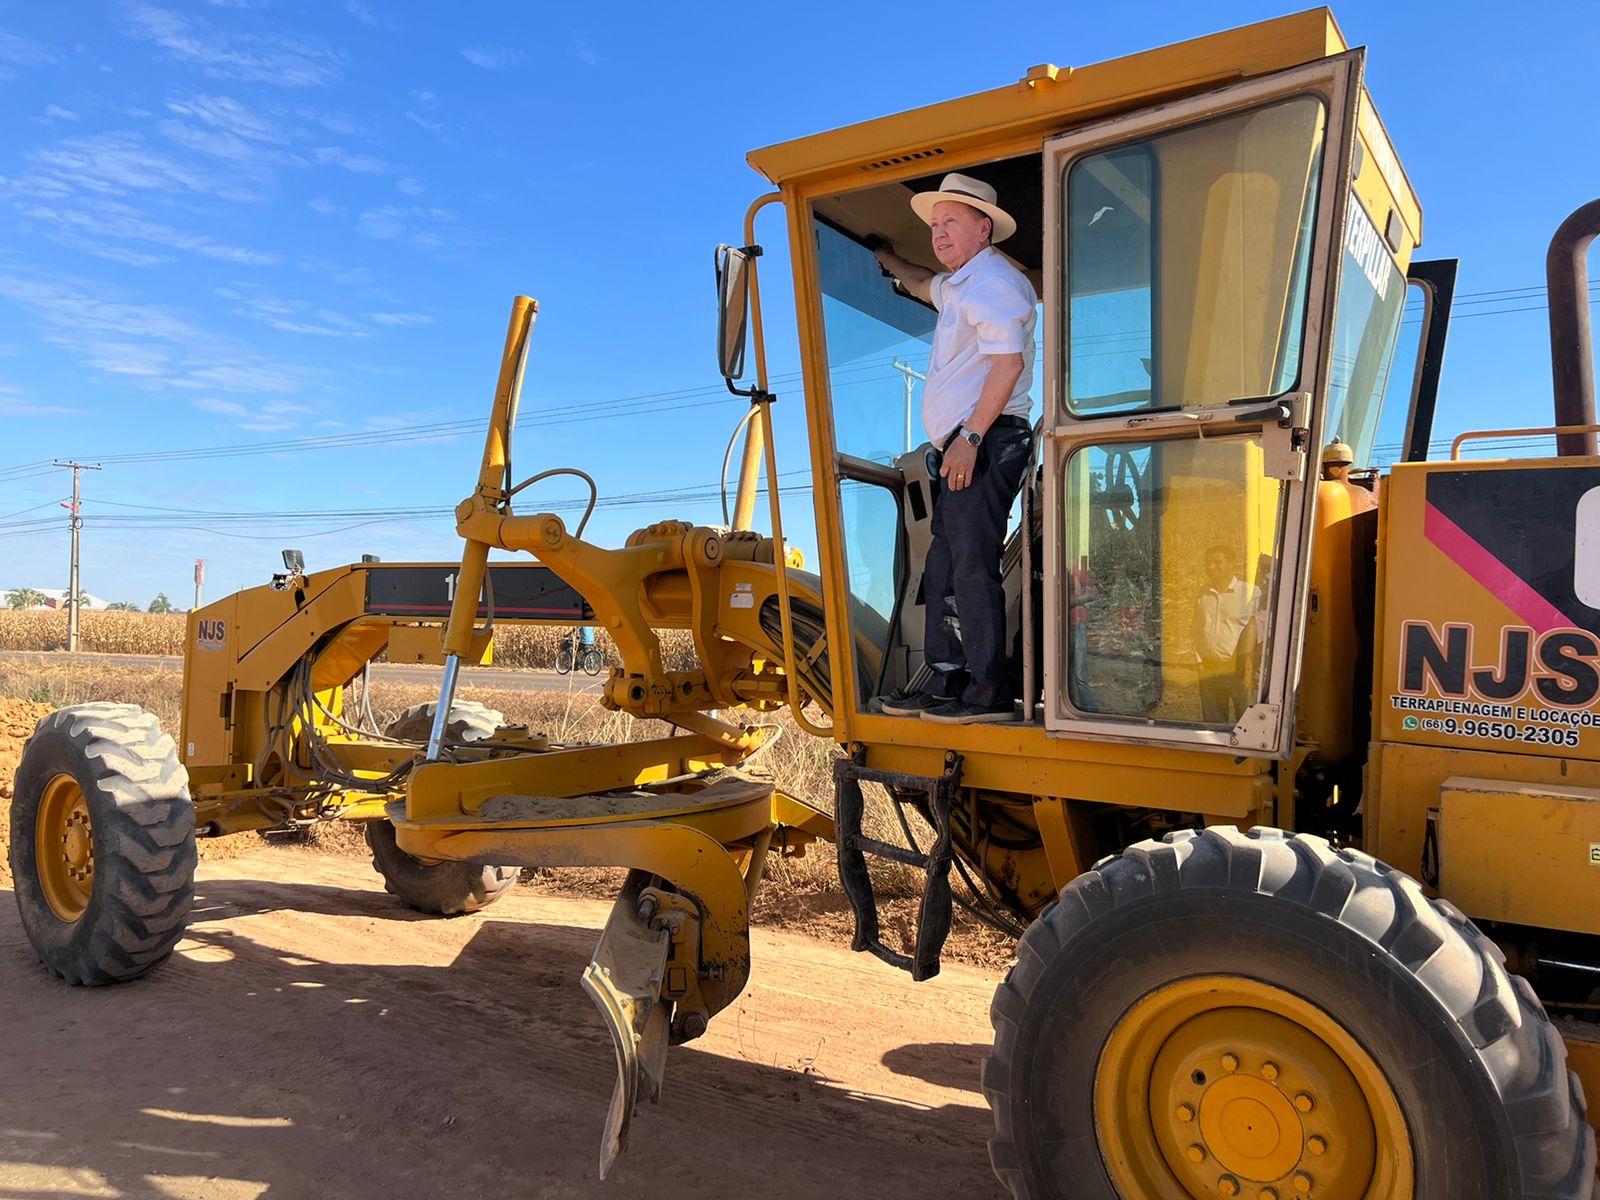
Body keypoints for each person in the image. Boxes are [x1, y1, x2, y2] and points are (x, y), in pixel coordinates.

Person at [872, 172, 1036, 724]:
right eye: (936, 225)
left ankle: (986, 692)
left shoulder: (993, 282)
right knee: (943, 565)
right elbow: (923, 283)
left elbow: (1007, 364)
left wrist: (968, 439)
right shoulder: (961, 284)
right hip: (965, 443)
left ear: (983, 229)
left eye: (952, 223)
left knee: (968, 565)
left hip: (986, 438)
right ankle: (947, 684)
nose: (939, 234)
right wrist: (889, 259)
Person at [1192, 546, 1259, 724]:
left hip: (1239, 670)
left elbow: (1260, 633)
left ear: (1232, 564)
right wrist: (1199, 660)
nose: (1212, 567)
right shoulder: (1203, 594)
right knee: (1213, 726)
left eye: (1218, 562)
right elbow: (1196, 629)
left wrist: (1249, 667)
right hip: (1209, 670)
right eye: (1208, 563)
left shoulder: (1251, 593)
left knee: (1246, 726)